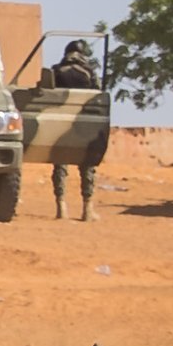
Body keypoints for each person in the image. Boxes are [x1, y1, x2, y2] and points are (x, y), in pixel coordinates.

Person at [46, 38, 102, 221]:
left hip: (60, 124)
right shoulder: (89, 72)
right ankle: (87, 209)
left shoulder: (55, 71)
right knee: (87, 166)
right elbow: (98, 95)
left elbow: (46, 94)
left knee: (60, 165)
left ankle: (61, 207)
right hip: (83, 125)